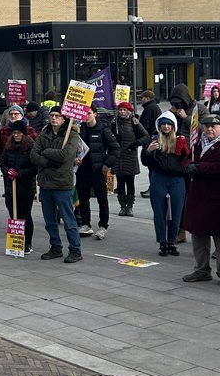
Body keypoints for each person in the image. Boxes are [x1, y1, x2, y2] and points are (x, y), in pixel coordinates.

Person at [181, 114, 220, 288]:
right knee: (199, 237)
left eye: (213, 126)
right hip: (198, 197)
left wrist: (199, 168)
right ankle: (202, 270)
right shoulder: (197, 144)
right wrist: (187, 166)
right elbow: (187, 158)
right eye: (206, 126)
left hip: (219, 199)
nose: (209, 129)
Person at [30, 107, 83, 263]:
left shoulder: (72, 135)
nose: (54, 118)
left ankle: (75, 249)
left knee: (68, 219)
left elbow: (66, 155)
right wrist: (48, 161)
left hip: (62, 183)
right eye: (52, 115)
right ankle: (55, 247)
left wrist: (45, 152)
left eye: (58, 116)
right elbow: (33, 154)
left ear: (64, 119)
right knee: (49, 220)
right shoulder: (44, 133)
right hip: (45, 183)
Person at [142, 112, 189, 256]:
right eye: (164, 124)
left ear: (173, 126)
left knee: (177, 212)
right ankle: (162, 242)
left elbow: (188, 160)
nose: (166, 127)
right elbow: (145, 162)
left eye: (169, 124)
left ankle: (172, 242)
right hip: (159, 178)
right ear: (159, 126)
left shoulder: (180, 139)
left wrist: (185, 150)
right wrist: (148, 151)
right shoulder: (154, 140)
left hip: (177, 179)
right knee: (159, 212)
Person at [75, 109, 119, 240]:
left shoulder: (102, 129)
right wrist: (75, 159)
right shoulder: (79, 130)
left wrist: (106, 165)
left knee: (102, 199)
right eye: (85, 114)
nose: (87, 116)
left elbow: (115, 148)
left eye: (89, 113)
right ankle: (86, 224)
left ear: (95, 114)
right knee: (83, 198)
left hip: (98, 170)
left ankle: (103, 226)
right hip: (82, 169)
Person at [0, 120, 36, 253]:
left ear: (24, 134)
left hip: (26, 187)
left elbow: (34, 167)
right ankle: (16, 242)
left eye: (18, 133)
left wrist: (20, 173)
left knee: (25, 214)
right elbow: (2, 161)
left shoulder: (31, 146)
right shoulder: (8, 146)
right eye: (14, 133)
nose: (16, 135)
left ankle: (27, 243)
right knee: (14, 213)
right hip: (11, 187)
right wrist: (7, 170)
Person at [111, 102, 148, 216]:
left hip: (130, 156)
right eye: (120, 109)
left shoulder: (134, 122)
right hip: (118, 156)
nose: (122, 112)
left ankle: (130, 206)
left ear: (128, 111)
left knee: (130, 183)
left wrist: (136, 143)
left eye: (124, 110)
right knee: (120, 183)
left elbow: (145, 136)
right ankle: (122, 206)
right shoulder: (114, 122)